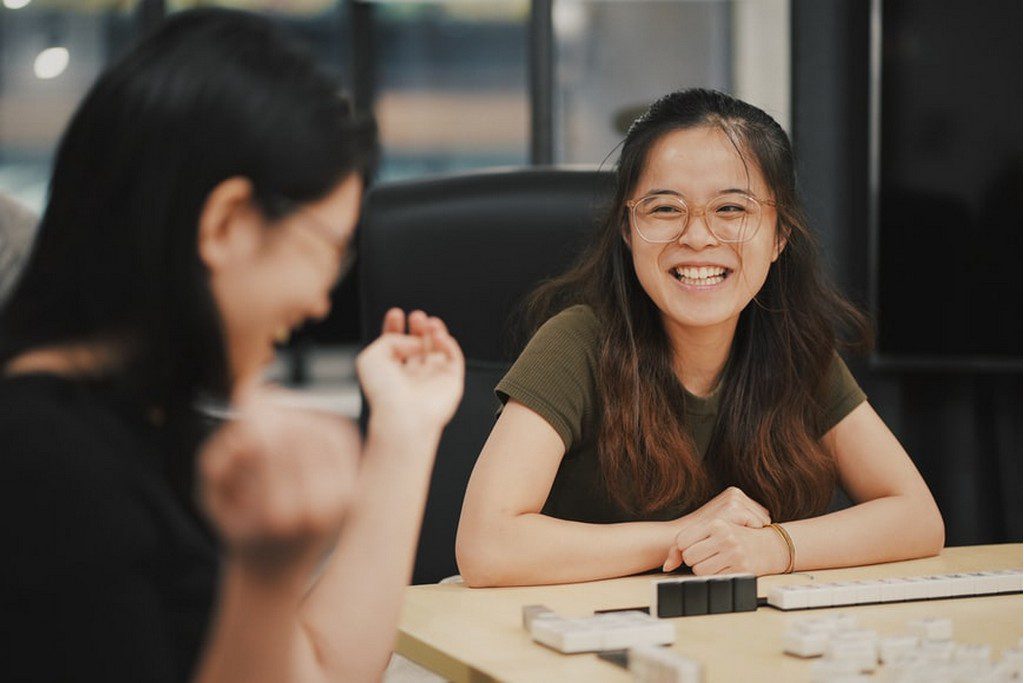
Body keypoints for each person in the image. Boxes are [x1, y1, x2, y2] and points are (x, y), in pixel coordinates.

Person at [0, 9, 463, 683]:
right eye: (326, 252)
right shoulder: (46, 474)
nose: (319, 301)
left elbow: (327, 667)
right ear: (224, 223)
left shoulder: (149, 428)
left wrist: (406, 431)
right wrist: (265, 575)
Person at [456, 88, 943, 587]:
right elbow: (487, 547)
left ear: (779, 236)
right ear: (627, 229)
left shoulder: (794, 348)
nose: (697, 236)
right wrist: (686, 534)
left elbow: (917, 518)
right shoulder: (576, 342)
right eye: (665, 209)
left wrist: (772, 548)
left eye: (731, 209)